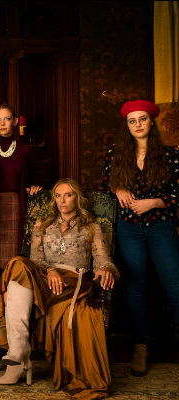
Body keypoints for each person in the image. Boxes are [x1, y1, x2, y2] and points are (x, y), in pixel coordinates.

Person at [0, 178, 118, 399]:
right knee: (18, 265)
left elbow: (102, 259)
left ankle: (17, 361)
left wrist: (105, 269)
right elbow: (36, 260)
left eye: (68, 195)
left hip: (74, 279)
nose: (62, 200)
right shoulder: (42, 225)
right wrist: (50, 270)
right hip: (44, 277)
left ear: (77, 198)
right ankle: (17, 353)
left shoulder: (91, 227)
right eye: (58, 196)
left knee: (12, 287)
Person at [103, 99, 179, 377]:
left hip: (161, 227)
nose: (137, 124)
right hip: (130, 229)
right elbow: (107, 184)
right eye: (132, 121)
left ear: (151, 122)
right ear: (127, 125)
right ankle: (141, 345)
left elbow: (177, 193)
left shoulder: (171, 155)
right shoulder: (115, 154)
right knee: (136, 285)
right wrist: (118, 188)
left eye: (142, 119)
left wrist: (155, 202)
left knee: (174, 284)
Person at [0, 104, 42, 269]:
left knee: (11, 253)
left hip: (14, 204)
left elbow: (33, 180)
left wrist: (34, 187)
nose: (2, 123)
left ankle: (10, 281)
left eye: (7, 119)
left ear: (15, 121)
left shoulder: (25, 150)